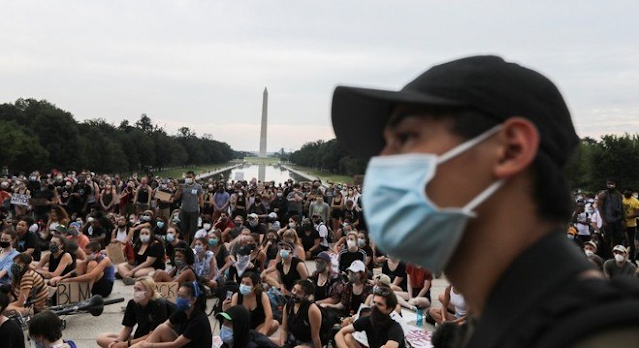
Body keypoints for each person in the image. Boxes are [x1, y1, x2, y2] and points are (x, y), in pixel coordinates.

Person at [331, 55, 639, 346]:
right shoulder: (496, 328)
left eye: (406, 137)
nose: (380, 162)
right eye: (385, 145)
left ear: (510, 150)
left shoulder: (608, 335)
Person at [96, 276, 176, 348]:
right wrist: (118, 341)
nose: (136, 291)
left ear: (149, 292)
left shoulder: (158, 304)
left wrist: (127, 344)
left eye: (139, 289)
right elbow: (127, 328)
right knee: (101, 338)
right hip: (139, 338)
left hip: (156, 340)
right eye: (135, 288)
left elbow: (153, 335)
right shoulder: (132, 303)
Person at [131, 281, 212, 348]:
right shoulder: (183, 311)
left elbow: (175, 345)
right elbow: (161, 328)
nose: (178, 299)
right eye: (178, 295)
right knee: (161, 328)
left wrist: (149, 345)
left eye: (182, 297)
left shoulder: (199, 320)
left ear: (193, 300)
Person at [335, 284, 405, 348]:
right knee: (347, 337)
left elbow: (390, 346)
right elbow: (340, 333)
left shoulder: (395, 328)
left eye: (380, 304)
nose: (374, 306)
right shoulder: (367, 320)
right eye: (374, 302)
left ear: (389, 309)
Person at [223, 272, 279, 337]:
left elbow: (269, 316)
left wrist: (264, 333)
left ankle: (258, 338)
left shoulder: (262, 296)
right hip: (243, 328)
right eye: (242, 282)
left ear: (255, 286)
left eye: (247, 284)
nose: (244, 285)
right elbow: (233, 317)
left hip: (258, 327)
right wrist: (225, 310)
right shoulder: (236, 296)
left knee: (275, 323)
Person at [279, 279, 322, 348]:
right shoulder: (288, 305)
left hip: (308, 343)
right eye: (294, 289)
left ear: (307, 296)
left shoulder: (312, 310)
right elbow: (284, 329)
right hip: (292, 340)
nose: (294, 293)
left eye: (299, 292)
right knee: (265, 341)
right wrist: (283, 345)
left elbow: (315, 337)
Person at [172, 171, 204, 244]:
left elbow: (201, 199)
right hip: (184, 211)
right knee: (184, 230)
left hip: (194, 211)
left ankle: (194, 245)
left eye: (190, 177)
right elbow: (176, 197)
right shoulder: (183, 186)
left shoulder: (198, 187)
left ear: (194, 177)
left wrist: (202, 211)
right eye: (187, 177)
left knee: (193, 230)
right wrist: (179, 189)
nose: (188, 178)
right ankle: (186, 244)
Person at [598, 180, 625, 249]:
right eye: (609, 184)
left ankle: (617, 252)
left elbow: (622, 207)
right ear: (606, 185)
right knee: (608, 238)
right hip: (608, 220)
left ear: (615, 184)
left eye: (612, 184)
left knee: (618, 238)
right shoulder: (603, 195)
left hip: (618, 219)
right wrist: (603, 220)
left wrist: (623, 219)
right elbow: (600, 208)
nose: (610, 185)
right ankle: (607, 254)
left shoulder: (619, 194)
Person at [621, 190, 639, 262]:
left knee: (631, 242)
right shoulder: (621, 199)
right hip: (620, 224)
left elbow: (637, 213)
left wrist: (625, 217)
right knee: (620, 240)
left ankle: (631, 258)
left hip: (631, 224)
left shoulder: (635, 201)